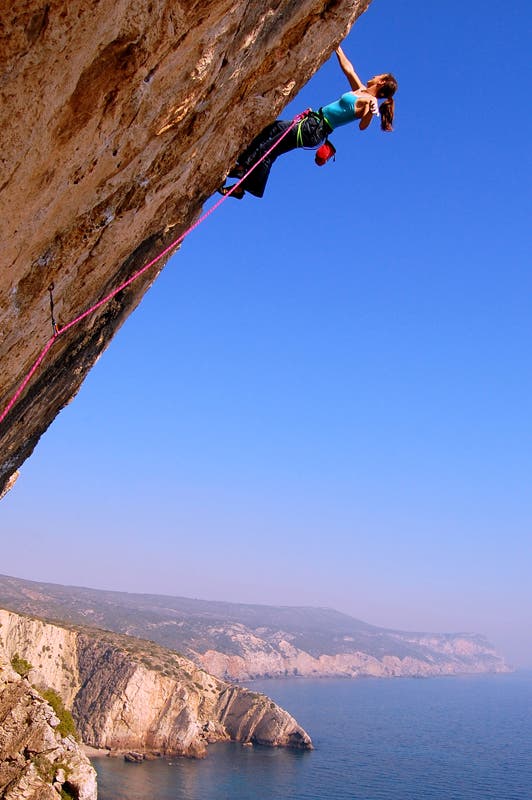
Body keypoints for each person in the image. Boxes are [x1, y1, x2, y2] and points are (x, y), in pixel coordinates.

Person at [218, 46, 397, 200]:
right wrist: (338, 46)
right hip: (312, 123)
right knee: (272, 133)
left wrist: (372, 107)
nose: (373, 75)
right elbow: (348, 69)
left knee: (270, 146)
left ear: (381, 82)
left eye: (378, 75)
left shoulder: (367, 101)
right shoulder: (360, 90)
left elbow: (363, 125)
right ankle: (243, 178)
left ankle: (243, 177)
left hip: (314, 129)